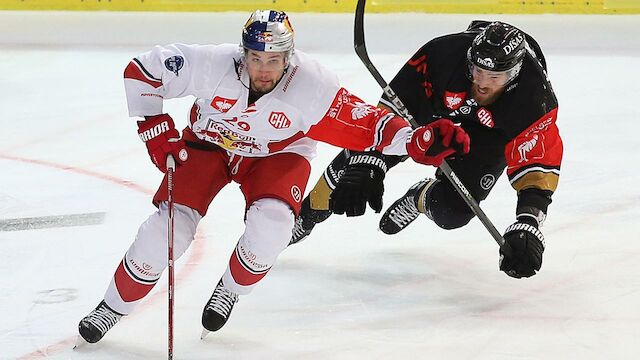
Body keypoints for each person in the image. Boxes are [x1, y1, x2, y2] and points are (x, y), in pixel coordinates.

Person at [76, 9, 470, 344]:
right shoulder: (211, 64)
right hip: (209, 146)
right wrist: (154, 124)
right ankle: (111, 306)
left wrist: (417, 140)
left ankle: (229, 290)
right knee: (168, 229)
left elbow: (368, 125)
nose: (263, 70)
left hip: (279, 154)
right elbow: (142, 70)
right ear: (242, 54)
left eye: (274, 60)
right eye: (255, 58)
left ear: (289, 57)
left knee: (274, 227)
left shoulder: (312, 87)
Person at [290, 20, 563, 279]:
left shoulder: (534, 98)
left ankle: (419, 197)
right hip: (438, 114)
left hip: (491, 134)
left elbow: (537, 166)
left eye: (494, 76)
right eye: (478, 71)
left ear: (513, 75)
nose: (481, 83)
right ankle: (308, 213)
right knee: (365, 157)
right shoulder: (443, 56)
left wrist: (528, 222)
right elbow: (385, 121)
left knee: (453, 213)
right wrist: (368, 162)